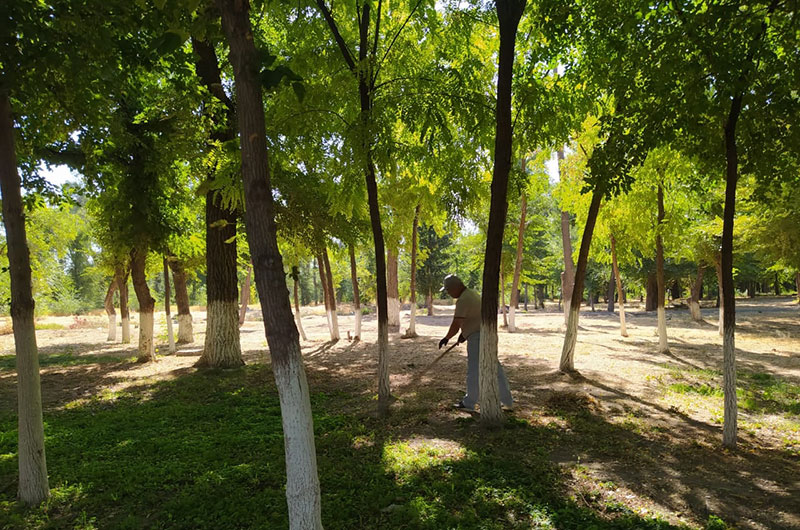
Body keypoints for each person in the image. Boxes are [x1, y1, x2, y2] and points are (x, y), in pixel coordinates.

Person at [438, 274, 512, 411]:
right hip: (484, 334)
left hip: (477, 338)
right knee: (495, 368)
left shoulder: (463, 300)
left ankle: (469, 403)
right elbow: (473, 317)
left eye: (448, 290)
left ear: (455, 287)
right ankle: (507, 401)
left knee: (474, 371)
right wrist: (464, 334)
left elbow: (456, 323)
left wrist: (446, 338)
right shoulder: (472, 294)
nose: (448, 293)